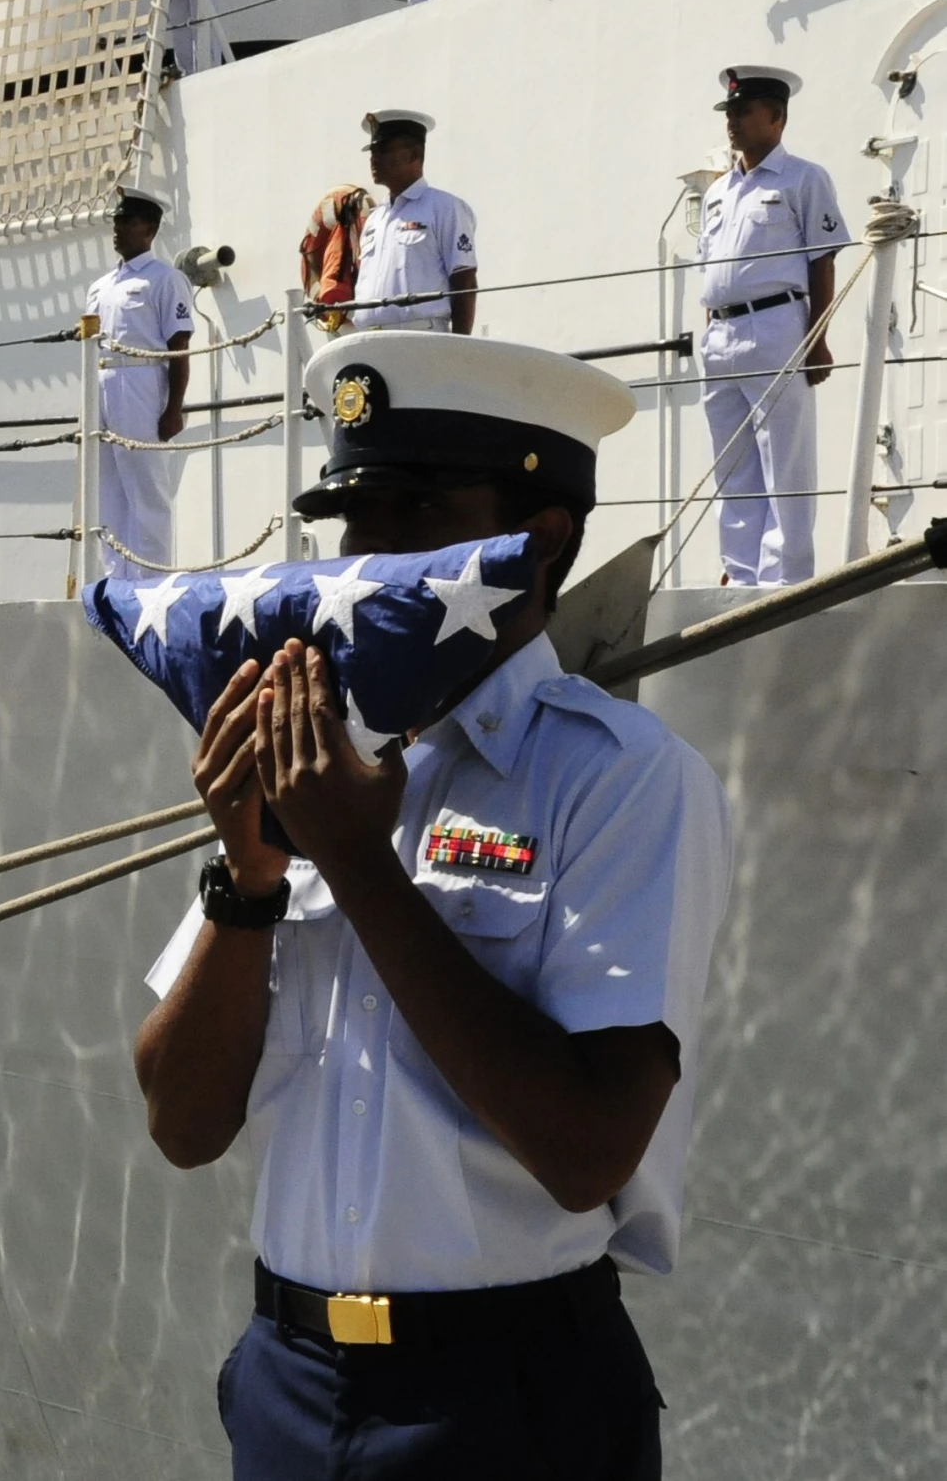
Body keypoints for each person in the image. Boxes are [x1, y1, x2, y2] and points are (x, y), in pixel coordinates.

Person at [132, 331, 731, 1479]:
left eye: (407, 511)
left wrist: (357, 867)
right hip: (292, 1379)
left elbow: (586, 1149)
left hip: (502, 1397)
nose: (362, 557)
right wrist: (250, 878)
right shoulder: (320, 753)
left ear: (539, 539)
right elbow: (181, 1125)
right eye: (351, 520)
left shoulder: (618, 779)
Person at [696, 65, 841, 587]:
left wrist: (817, 338)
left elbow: (822, 260)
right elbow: (711, 269)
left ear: (777, 118)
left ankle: (786, 585)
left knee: (785, 465)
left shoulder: (805, 178)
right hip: (720, 335)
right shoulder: (718, 193)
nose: (732, 121)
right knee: (733, 470)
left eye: (743, 111)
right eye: (730, 112)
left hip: (777, 325)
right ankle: (738, 577)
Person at [87, 185, 196, 574]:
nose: (117, 228)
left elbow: (178, 346)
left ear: (148, 229)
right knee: (108, 487)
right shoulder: (99, 286)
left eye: (126, 221)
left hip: (141, 382)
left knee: (146, 489)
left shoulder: (164, 279)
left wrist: (173, 408)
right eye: (116, 220)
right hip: (101, 383)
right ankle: (117, 575)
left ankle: (152, 576)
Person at [349, 111, 478, 334]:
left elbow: (464, 282)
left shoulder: (445, 208)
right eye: (372, 152)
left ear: (414, 155)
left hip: (419, 337)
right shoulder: (374, 219)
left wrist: (459, 350)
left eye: (384, 150)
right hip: (369, 340)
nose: (374, 159)